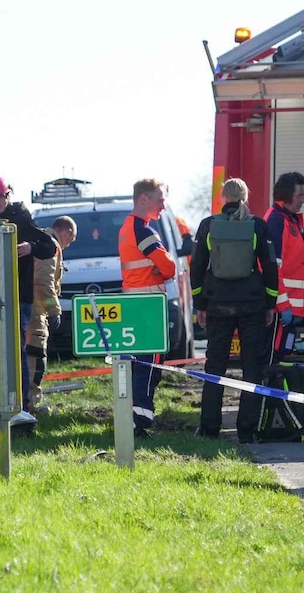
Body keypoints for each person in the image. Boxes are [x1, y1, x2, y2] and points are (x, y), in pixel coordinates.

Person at [190, 179, 278, 443]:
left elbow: (197, 268)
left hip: (217, 303)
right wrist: (270, 303)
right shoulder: (257, 226)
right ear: (245, 197)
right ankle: (247, 431)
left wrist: (200, 304)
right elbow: (270, 267)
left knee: (215, 366)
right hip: (252, 303)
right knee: (252, 368)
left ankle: (209, 429)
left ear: (222, 197)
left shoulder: (208, 225)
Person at [0, 176, 57, 428]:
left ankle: (22, 407)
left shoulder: (21, 218)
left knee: (17, 354)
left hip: (20, 298)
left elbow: (49, 246)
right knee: (8, 352)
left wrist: (31, 247)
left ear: (8, 195)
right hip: (6, 297)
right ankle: (11, 406)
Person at [118, 179, 178, 437]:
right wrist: (162, 269)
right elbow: (170, 268)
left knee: (140, 365)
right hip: (148, 305)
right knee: (148, 365)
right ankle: (139, 423)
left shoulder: (128, 228)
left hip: (137, 302)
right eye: (160, 198)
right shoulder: (142, 230)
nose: (163, 204)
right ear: (144, 199)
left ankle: (135, 419)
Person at [26, 216, 76, 415]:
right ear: (66, 232)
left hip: (27, 306)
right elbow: (43, 281)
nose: (69, 244)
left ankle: (25, 404)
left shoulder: (39, 240)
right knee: (36, 358)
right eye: (71, 240)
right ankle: (29, 406)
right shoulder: (51, 246)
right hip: (35, 310)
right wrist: (54, 310)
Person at [264, 171, 304, 363]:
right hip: (279, 312)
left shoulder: (289, 219)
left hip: (286, 311)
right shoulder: (277, 221)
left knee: (279, 359)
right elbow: (273, 267)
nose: (303, 200)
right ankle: (267, 394)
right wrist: (283, 306)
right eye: (300, 195)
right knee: (271, 361)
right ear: (286, 194)